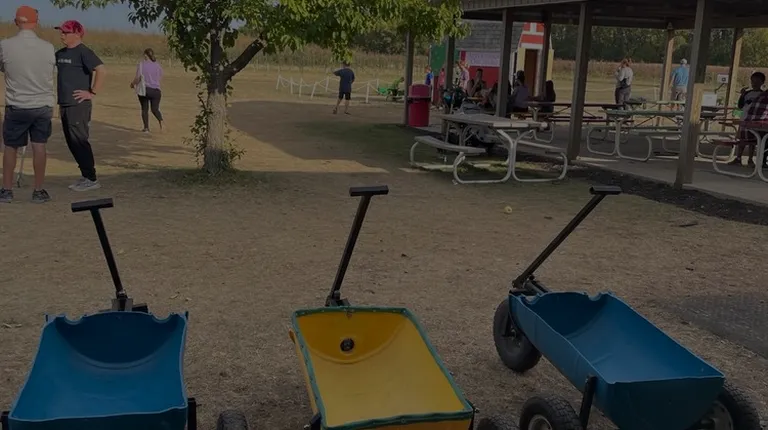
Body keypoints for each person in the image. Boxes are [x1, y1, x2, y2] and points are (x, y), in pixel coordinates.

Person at [0, 6, 56, 204]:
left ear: (16, 22)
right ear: (36, 23)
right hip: (42, 105)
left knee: (10, 147)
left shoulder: (5, 45)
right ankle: (38, 190)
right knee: (39, 146)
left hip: (17, 104)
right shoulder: (48, 47)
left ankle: (6, 190)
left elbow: (4, 67)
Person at [55, 20, 106, 192]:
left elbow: (101, 70)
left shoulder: (84, 52)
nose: (62, 35)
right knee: (71, 141)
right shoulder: (60, 53)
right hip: (64, 103)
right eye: (61, 31)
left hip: (78, 105)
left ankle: (91, 179)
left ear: (77, 34)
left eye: (66, 32)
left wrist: (92, 92)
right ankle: (85, 175)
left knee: (79, 141)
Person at [731, 72, 766, 166]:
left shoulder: (763, 95)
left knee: (752, 140)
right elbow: (740, 106)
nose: (754, 83)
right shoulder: (747, 93)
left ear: (762, 82)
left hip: (755, 120)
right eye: (753, 81)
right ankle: (738, 157)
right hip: (744, 118)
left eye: (757, 81)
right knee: (742, 139)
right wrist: (742, 95)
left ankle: (750, 159)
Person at [130, 48, 163, 132]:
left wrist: (133, 84)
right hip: (156, 90)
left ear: (145, 55)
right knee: (155, 109)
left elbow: (138, 78)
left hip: (145, 90)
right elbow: (160, 76)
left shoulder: (141, 65)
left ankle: (146, 128)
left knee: (144, 109)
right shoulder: (157, 65)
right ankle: (161, 121)